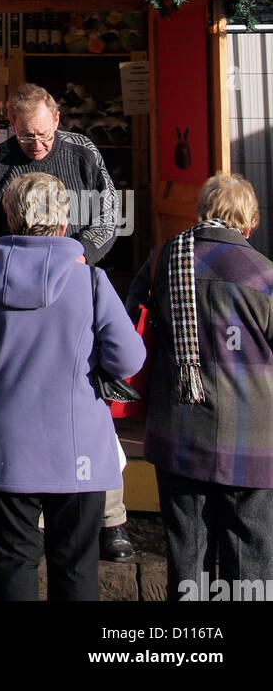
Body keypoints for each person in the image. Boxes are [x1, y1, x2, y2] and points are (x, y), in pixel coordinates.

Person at [0, 82, 132, 560]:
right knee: (26, 410)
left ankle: (110, 518)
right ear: (11, 128)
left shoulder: (82, 152)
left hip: (75, 289)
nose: (36, 145)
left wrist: (81, 262)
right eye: (25, 136)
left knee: (88, 402)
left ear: (56, 119)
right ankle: (31, 521)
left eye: (42, 134)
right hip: (13, 297)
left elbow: (107, 214)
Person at [0, 173, 145, 601]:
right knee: (76, 568)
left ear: (10, 219)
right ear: (64, 221)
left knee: (12, 563)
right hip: (79, 447)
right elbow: (129, 359)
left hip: (8, 444)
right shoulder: (92, 282)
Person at [126, 173, 273, 601]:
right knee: (250, 562)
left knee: (188, 555)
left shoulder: (162, 261)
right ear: (249, 222)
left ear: (202, 211)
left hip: (178, 432)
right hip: (251, 440)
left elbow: (127, 337)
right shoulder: (264, 275)